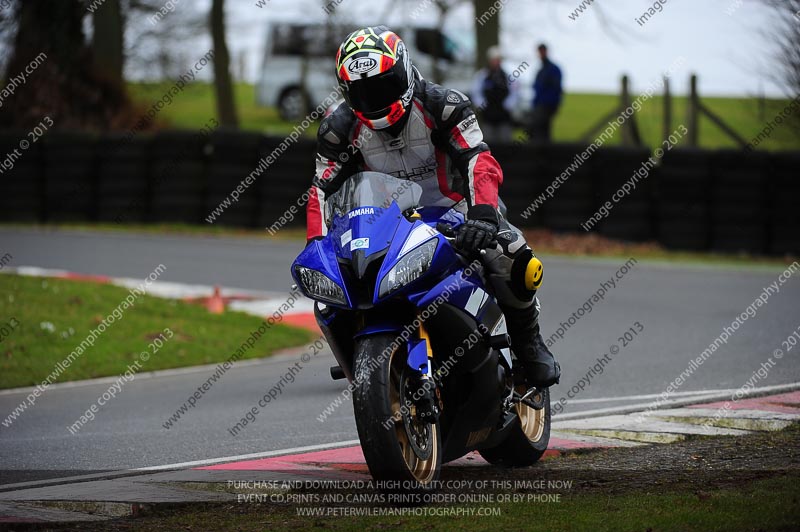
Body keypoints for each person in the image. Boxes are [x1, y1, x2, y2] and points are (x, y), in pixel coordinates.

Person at [305, 26, 560, 388]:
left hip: (456, 211)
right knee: (332, 290)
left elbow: (478, 161)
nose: (373, 97)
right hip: (386, 222)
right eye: (362, 90)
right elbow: (321, 188)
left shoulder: (444, 105)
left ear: (405, 71)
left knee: (515, 256)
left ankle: (528, 341)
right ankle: (360, 359)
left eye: (382, 85)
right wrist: (316, 243)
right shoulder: (338, 128)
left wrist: (483, 216)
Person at [471, 46, 516, 143]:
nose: (496, 62)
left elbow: (515, 93)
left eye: (498, 60)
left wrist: (508, 105)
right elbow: (475, 92)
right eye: (494, 60)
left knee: (506, 142)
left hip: (504, 116)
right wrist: (483, 105)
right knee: (488, 143)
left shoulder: (507, 76)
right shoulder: (482, 76)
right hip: (488, 117)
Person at [530, 43, 562, 142]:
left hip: (546, 105)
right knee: (541, 130)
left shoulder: (551, 69)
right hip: (541, 105)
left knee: (541, 129)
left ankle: (543, 152)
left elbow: (556, 89)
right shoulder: (542, 70)